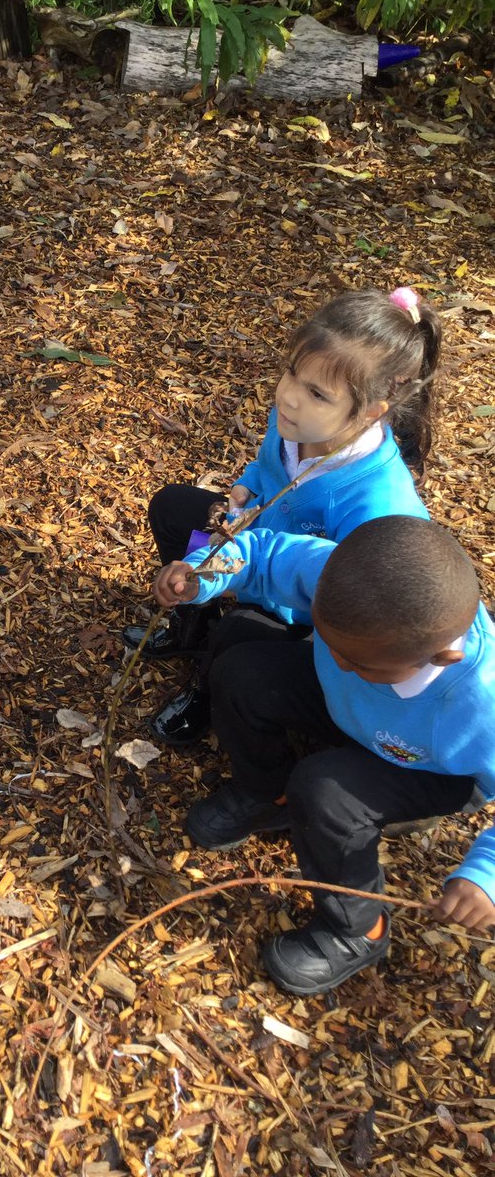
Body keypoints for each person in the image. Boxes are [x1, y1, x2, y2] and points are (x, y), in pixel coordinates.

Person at [155, 515, 495, 995]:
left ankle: (357, 929)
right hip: (353, 710)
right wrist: (201, 575)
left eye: (357, 661)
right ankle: (265, 793)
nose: (337, 660)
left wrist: (486, 877)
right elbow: (262, 553)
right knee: (242, 672)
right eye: (329, 642)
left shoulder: (481, 705)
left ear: (442, 657)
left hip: (427, 765)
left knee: (326, 793)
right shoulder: (342, 579)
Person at [124, 288, 441, 748]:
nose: (288, 397)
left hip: (296, 601)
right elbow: (267, 467)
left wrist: (243, 578)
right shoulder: (296, 421)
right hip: (246, 544)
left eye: (316, 393)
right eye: (292, 372)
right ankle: (190, 624)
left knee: (238, 632)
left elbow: (348, 598)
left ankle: (205, 690)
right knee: (172, 508)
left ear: (371, 411)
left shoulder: (379, 504)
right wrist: (244, 488)